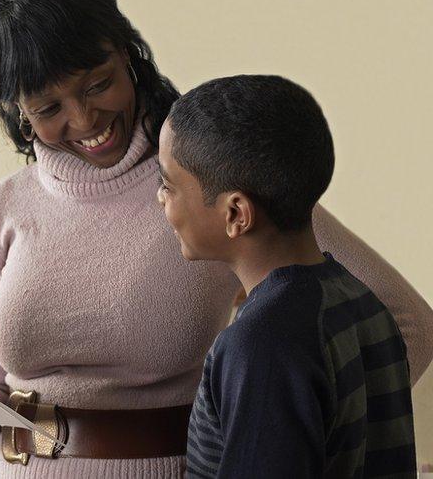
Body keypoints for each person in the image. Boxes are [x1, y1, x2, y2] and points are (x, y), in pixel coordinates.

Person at [0, 0, 433, 477]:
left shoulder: (206, 183)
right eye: (48, 108)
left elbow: (407, 325)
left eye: (99, 83)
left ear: (129, 55)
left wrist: (291, 435)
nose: (86, 117)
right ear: (16, 111)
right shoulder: (4, 206)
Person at [157, 75, 415, 478]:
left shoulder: (262, 344)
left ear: (235, 214)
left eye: (169, 185)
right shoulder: (361, 303)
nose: (161, 198)